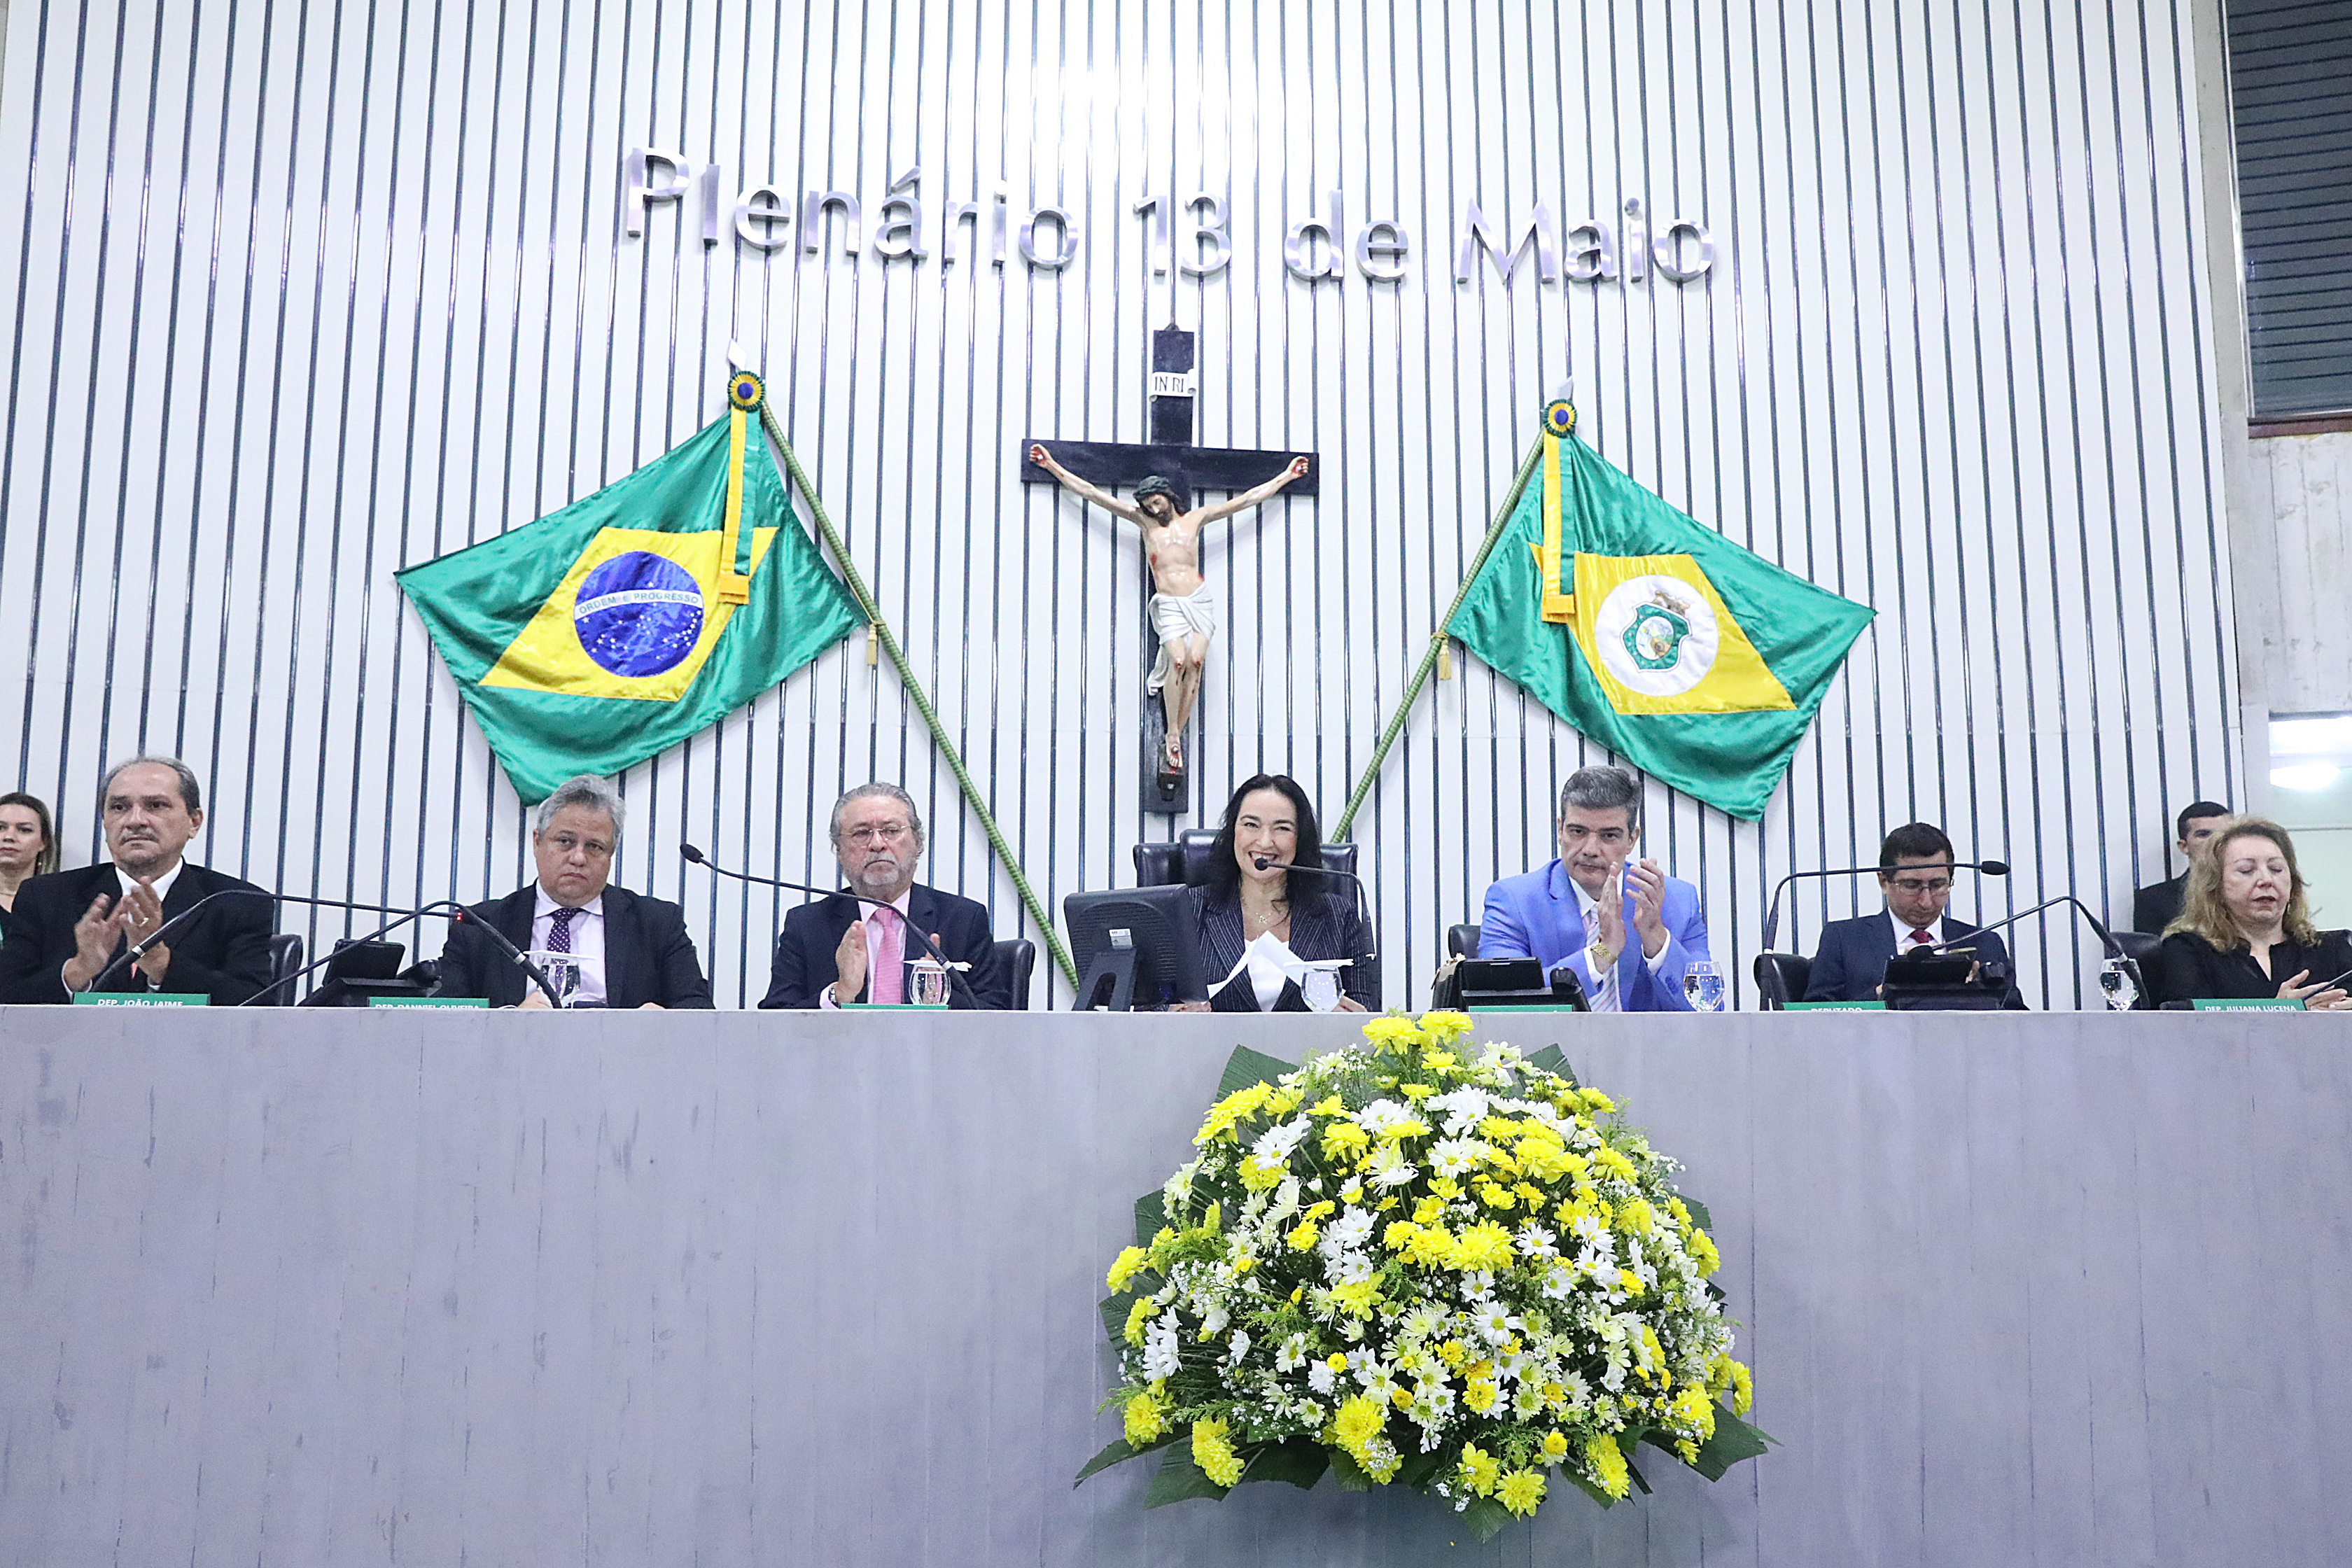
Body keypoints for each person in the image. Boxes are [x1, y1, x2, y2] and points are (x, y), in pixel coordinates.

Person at [1028, 444, 1310, 775]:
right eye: (1147, 504)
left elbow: (1246, 500)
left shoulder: (1195, 519)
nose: (1152, 507)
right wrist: (1052, 466)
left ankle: (1178, 727)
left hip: (1198, 599)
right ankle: (1172, 733)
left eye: (1156, 501)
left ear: (1167, 496)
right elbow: (1092, 493)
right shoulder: (1144, 524)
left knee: (1196, 662)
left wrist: (1286, 476)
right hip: (1169, 603)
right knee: (1177, 660)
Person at [0, 757, 274, 1004]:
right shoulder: (46, 896)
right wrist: (78, 971)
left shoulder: (236, 902)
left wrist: (159, 962)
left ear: (194, 822)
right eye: (119, 807)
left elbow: (256, 1008)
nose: (135, 820)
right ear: (105, 822)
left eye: (156, 806)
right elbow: (7, 998)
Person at [435, 774, 713, 1009]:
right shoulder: (480, 927)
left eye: (594, 847)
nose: (579, 858)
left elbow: (700, 1012)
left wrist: (664, 1021)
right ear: (537, 842)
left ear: (611, 853)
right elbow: (447, 1023)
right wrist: (509, 1021)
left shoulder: (657, 923)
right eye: (565, 841)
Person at [1477, 766, 1709, 1011]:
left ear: (1631, 839)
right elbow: (1498, 1002)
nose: (1590, 849)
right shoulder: (1514, 901)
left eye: (1608, 836)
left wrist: (1656, 939)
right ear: (1560, 830)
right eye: (1578, 832)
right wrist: (1602, 953)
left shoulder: (1677, 901)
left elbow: (1708, 1006)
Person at [760, 783, 1010, 1009]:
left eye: (891, 830)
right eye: (861, 833)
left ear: (918, 843)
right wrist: (839, 993)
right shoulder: (808, 924)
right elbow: (774, 1020)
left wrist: (939, 1000)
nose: (877, 844)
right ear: (839, 851)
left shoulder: (962, 919)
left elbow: (998, 1016)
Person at [1182, 774, 1376, 1012]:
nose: (1265, 842)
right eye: (1251, 825)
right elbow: (1151, 1004)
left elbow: (1366, 1015)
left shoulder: (1340, 916)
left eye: (1282, 828)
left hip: (1310, 1039)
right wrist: (1172, 1013)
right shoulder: (1188, 909)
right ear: (1232, 832)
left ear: (1300, 839)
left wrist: (1352, 1019)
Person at [1803, 822, 2026, 1007]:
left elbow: (2018, 1020)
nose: (1926, 901)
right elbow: (1814, 1016)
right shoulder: (1844, 939)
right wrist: (1881, 994)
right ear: (1883, 881)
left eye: (1938, 885)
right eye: (1911, 886)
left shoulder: (1985, 942)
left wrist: (1977, 992)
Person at [2152, 817, 2352, 1009]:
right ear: (2215, 886)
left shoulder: (2334, 949)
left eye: (2276, 869)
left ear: (2293, 884)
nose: (2266, 880)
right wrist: (2280, 1011)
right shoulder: (2187, 950)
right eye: (2247, 870)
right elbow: (2189, 1026)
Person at [2130, 799, 2229, 934]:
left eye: (2224, 833)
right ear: (2184, 846)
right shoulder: (2153, 901)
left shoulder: (2254, 890)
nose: (2215, 840)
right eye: (2204, 834)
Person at [0, 791, 62, 938]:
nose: (9, 837)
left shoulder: (62, 903)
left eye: (24, 830)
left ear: (44, 842)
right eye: (0, 828)